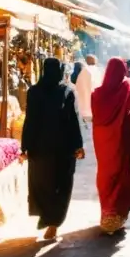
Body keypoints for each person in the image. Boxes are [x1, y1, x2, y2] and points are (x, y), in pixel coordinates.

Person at [21, 58, 86, 240]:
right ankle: (53, 222)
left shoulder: (33, 92)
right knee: (61, 185)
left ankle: (48, 218)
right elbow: (73, 120)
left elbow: (30, 121)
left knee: (42, 184)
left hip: (40, 148)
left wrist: (25, 146)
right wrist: (78, 145)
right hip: (63, 148)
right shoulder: (66, 91)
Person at [91, 57, 130, 235]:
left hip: (103, 143)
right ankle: (116, 216)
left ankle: (106, 214)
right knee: (122, 176)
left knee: (106, 176)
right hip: (122, 141)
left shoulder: (96, 94)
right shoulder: (128, 86)